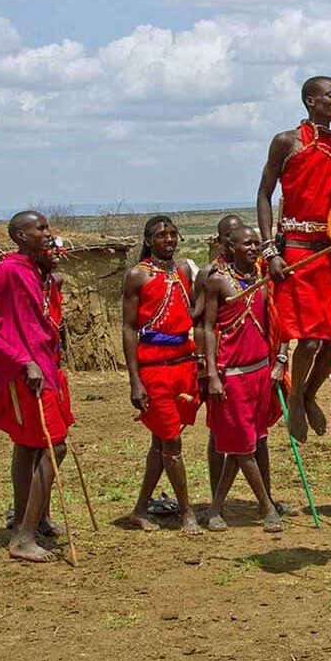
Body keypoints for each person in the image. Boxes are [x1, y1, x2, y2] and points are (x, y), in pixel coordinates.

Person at [256, 76, 331, 443]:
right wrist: (269, 248)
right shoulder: (287, 142)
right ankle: (295, 395)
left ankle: (306, 394)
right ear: (310, 101)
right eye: (330, 95)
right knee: (307, 341)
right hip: (298, 253)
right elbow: (264, 194)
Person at [0, 211, 75, 563]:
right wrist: (21, 359)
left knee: (28, 449)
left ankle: (34, 520)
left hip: (47, 370)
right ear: (19, 236)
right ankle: (23, 536)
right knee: (54, 447)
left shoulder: (36, 272)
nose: (49, 234)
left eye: (48, 228)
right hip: (30, 374)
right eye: (40, 229)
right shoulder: (10, 271)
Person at [202, 226, 287, 533]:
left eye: (256, 244)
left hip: (260, 371)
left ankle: (214, 509)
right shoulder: (218, 281)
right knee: (243, 446)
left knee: (248, 443)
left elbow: (276, 322)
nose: (253, 248)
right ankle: (266, 508)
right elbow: (208, 328)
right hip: (232, 374)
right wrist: (212, 374)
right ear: (231, 247)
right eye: (247, 244)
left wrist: (280, 361)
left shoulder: (262, 279)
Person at [122, 216, 202, 535]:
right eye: (160, 235)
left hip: (184, 363)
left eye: (172, 234)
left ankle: (140, 510)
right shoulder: (137, 276)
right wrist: (134, 380)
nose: (168, 239)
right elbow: (128, 329)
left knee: (161, 441)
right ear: (148, 240)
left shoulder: (183, 271)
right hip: (153, 368)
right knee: (172, 441)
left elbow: (194, 312)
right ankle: (187, 514)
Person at [193, 214, 242, 497]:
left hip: (248, 360)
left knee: (255, 433)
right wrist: (204, 364)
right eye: (228, 236)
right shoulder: (208, 274)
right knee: (218, 429)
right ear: (222, 240)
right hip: (219, 360)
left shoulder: (253, 271)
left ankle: (266, 497)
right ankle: (216, 496)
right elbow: (200, 322)